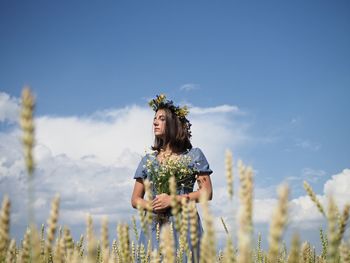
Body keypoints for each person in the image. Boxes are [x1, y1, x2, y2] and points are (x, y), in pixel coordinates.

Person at [131, 94, 213, 261]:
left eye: (161, 119)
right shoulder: (148, 160)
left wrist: (173, 200)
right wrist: (152, 206)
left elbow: (207, 192)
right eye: (154, 119)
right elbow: (135, 199)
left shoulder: (194, 155)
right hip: (155, 227)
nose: (155, 122)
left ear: (173, 124)